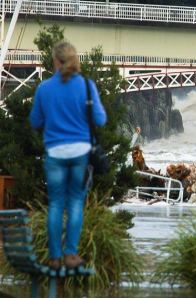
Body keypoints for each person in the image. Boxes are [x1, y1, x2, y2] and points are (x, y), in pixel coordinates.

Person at [29, 42, 107, 270]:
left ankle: (54, 257)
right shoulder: (86, 86)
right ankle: (71, 255)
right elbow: (101, 119)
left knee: (55, 203)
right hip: (81, 153)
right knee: (74, 202)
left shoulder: (44, 88)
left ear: (55, 61)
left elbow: (35, 121)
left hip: (54, 152)